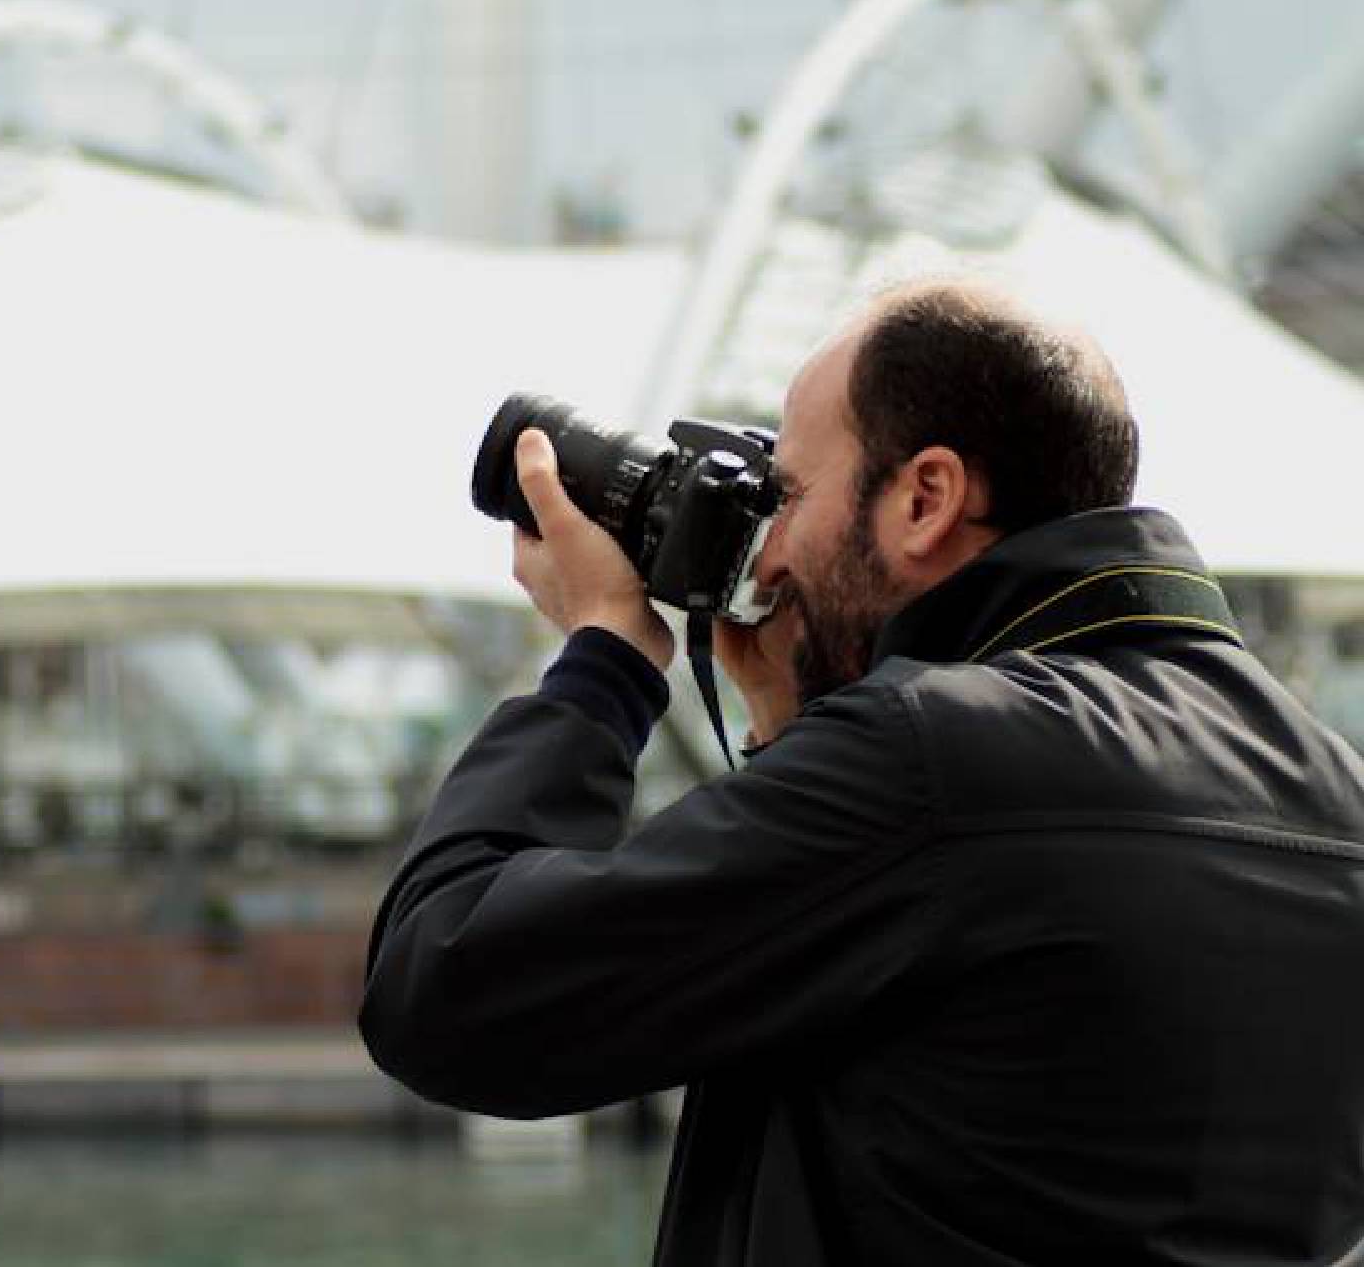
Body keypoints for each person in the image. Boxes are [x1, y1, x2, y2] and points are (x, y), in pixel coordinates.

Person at [359, 278, 1364, 1265]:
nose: (770, 547)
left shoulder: (937, 763)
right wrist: (785, 729)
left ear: (922, 497)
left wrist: (604, 660)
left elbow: (445, 987)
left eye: (787, 493)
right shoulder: (1332, 792)